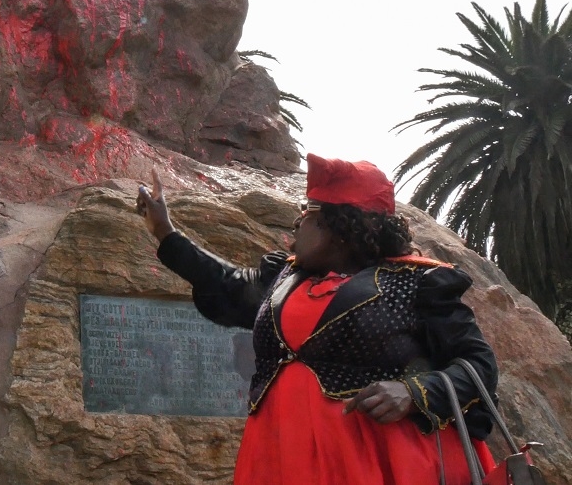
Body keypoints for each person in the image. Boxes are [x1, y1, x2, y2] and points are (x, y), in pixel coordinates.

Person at [136, 154, 498, 484]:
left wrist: (412, 392)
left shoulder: (418, 283)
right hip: (279, 461)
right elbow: (225, 283)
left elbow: (479, 365)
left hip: (384, 466)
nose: (297, 224)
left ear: (340, 227)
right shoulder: (285, 279)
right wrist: (165, 232)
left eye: (308, 213)